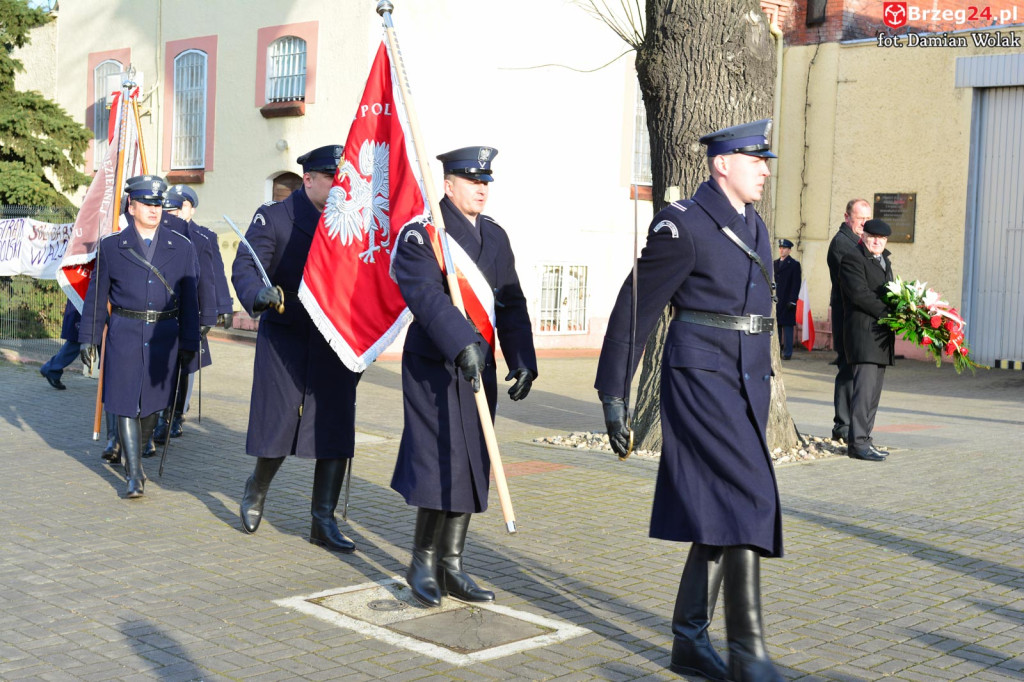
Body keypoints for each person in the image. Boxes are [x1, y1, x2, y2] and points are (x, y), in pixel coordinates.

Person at [596, 120, 784, 681]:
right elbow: (635, 307)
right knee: (750, 498)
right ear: (722, 163)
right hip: (701, 379)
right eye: (756, 161)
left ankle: (688, 640)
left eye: (765, 161)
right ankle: (749, 654)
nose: (766, 170)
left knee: (722, 511)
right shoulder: (683, 226)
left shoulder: (754, 224)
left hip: (746, 380)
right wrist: (613, 391)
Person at [390, 146, 537, 608]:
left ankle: (452, 565)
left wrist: (522, 356)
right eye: (472, 180)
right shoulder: (423, 234)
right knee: (439, 459)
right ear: (448, 184)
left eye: (486, 181)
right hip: (436, 365)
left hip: (482, 365)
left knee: (472, 459)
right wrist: (462, 342)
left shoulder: (494, 236)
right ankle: (422, 561)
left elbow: (510, 300)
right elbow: (425, 295)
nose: (482, 188)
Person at [231, 144, 362, 553]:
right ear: (308, 180)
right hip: (287, 332)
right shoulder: (275, 217)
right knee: (279, 422)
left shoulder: (353, 223)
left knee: (335, 427)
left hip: (336, 337)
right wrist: (259, 295)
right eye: (332, 179)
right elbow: (246, 266)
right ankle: (257, 489)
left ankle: (323, 521)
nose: (341, 186)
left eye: (345, 179)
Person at [78, 175, 201, 498]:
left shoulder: (182, 247)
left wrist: (190, 343)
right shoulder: (111, 246)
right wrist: (88, 338)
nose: (153, 209)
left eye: (157, 204)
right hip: (125, 333)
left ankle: (142, 446)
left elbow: (190, 301)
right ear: (131, 206)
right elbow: (96, 295)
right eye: (146, 204)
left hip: (164, 335)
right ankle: (135, 474)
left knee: (153, 405)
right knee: (124, 402)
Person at [152, 185, 227, 444]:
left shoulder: (202, 237)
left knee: (185, 368)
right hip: (161, 312)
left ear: (190, 209)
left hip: (190, 311)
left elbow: (212, 276)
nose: (173, 212)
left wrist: (218, 310)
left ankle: (173, 417)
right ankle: (157, 414)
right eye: (170, 207)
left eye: (180, 206)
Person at [839, 218, 895, 462]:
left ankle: (865, 440)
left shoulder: (885, 261)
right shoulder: (853, 259)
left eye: (881, 239)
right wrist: (890, 313)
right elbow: (860, 295)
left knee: (873, 394)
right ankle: (857, 443)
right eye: (873, 237)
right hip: (863, 334)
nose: (876, 242)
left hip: (881, 336)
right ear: (863, 235)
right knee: (863, 393)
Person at [826, 198, 871, 442]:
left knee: (855, 369)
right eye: (859, 218)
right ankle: (842, 426)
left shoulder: (858, 242)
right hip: (846, 314)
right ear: (847, 217)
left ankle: (850, 425)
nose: (864, 223)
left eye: (867, 218)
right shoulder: (842, 243)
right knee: (846, 368)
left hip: (858, 315)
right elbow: (859, 278)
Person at [40, 300, 82, 390]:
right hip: (82, 301)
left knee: (76, 342)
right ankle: (51, 369)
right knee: (75, 342)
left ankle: (51, 369)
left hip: (82, 301)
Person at [773, 238, 801, 360]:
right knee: (776, 327)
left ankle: (788, 353)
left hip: (788, 300)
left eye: (784, 248)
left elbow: (796, 284)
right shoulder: (775, 263)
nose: (781, 250)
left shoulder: (794, 264)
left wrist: (793, 300)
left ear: (789, 250)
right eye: (780, 248)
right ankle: (777, 351)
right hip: (776, 300)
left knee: (788, 328)